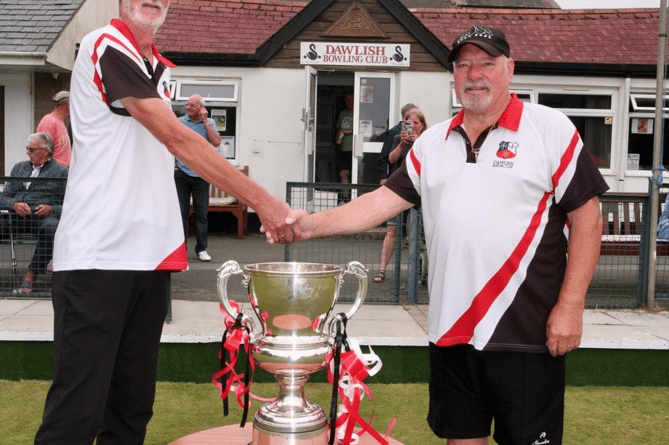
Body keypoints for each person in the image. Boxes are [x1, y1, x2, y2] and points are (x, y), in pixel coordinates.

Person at [284, 25, 608, 445]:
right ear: (453, 75)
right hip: (451, 331)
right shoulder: (432, 142)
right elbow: (377, 204)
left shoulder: (550, 129)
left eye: (487, 64)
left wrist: (571, 307)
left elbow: (588, 219)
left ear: (509, 69)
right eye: (464, 65)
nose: (475, 74)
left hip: (527, 333)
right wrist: (310, 224)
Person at [34, 1, 292, 443]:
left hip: (149, 257)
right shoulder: (105, 44)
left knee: (132, 411)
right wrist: (266, 203)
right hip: (98, 256)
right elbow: (176, 138)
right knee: (75, 416)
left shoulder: (160, 67)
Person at [0, 132, 68, 294]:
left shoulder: (61, 172)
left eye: (31, 149)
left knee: (53, 228)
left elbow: (70, 204)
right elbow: (4, 197)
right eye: (27, 149)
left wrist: (52, 209)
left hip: (41, 219)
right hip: (16, 217)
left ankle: (31, 275)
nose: (27, 153)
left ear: (45, 151)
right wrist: (14, 204)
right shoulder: (19, 167)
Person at [374, 108, 427, 283]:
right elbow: (391, 159)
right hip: (398, 190)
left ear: (422, 125)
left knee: (418, 232)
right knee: (392, 229)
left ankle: (417, 274)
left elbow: (431, 159)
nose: (412, 127)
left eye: (416, 123)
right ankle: (382, 270)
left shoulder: (427, 140)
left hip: (419, 193)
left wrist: (418, 142)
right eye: (408, 123)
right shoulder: (398, 138)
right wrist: (402, 144)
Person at [175, 94, 221, 262]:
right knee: (181, 213)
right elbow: (171, 142)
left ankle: (201, 249)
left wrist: (205, 122)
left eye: (192, 105)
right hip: (182, 173)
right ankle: (181, 249)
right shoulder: (180, 122)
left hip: (201, 174)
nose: (188, 107)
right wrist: (173, 162)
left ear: (201, 108)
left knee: (201, 214)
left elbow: (216, 142)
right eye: (187, 105)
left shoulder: (210, 123)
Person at [376, 102, 417, 183]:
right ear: (405, 117)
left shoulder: (420, 132)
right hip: (397, 175)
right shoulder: (394, 132)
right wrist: (384, 177)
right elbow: (384, 156)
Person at [37, 91, 72, 167]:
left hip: (63, 172)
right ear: (68, 105)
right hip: (54, 174)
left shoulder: (60, 122)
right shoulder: (48, 122)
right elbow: (42, 153)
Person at [335, 91, 354, 202]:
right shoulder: (342, 113)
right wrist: (338, 138)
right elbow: (339, 129)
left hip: (355, 148)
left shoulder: (357, 113)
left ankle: (357, 199)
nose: (349, 102)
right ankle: (345, 198)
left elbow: (361, 128)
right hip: (344, 149)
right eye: (347, 100)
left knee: (356, 174)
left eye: (351, 99)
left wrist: (347, 131)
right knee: (343, 173)